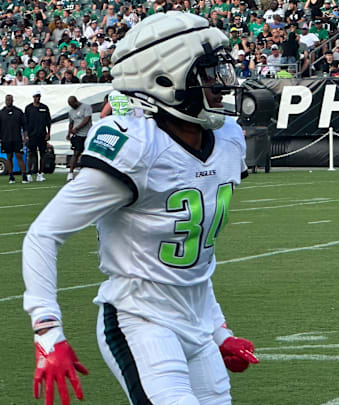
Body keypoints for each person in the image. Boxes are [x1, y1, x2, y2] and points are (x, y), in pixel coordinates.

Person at [22, 12, 257, 405]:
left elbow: (195, 258)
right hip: (139, 319)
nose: (222, 84)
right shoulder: (136, 145)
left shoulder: (228, 138)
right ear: (165, 77)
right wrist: (48, 333)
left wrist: (219, 330)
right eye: (208, 72)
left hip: (197, 321)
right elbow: (44, 234)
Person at [24, 89, 52, 182]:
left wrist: (48, 133)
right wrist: (26, 135)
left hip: (42, 135)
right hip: (32, 135)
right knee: (31, 154)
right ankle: (29, 174)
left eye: (39, 96)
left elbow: (48, 122)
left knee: (42, 154)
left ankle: (40, 173)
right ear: (33, 97)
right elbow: (26, 123)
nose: (37, 98)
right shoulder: (28, 108)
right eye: (36, 96)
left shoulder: (44, 107)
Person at [0, 94, 27, 183]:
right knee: (9, 157)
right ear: (5, 101)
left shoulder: (18, 112)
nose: (8, 101)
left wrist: (25, 136)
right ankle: (11, 176)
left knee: (19, 156)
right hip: (6, 139)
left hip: (17, 138)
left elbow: (24, 126)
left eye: (10, 100)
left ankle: (24, 176)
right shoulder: (1, 113)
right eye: (7, 100)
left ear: (12, 100)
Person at [65, 96, 92, 181]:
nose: (72, 107)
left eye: (73, 104)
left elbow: (87, 119)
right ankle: (70, 173)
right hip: (77, 135)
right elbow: (71, 123)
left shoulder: (86, 107)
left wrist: (77, 128)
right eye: (70, 105)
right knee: (76, 153)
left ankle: (88, 172)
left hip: (87, 134)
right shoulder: (71, 112)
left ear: (76, 101)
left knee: (89, 154)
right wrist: (69, 133)